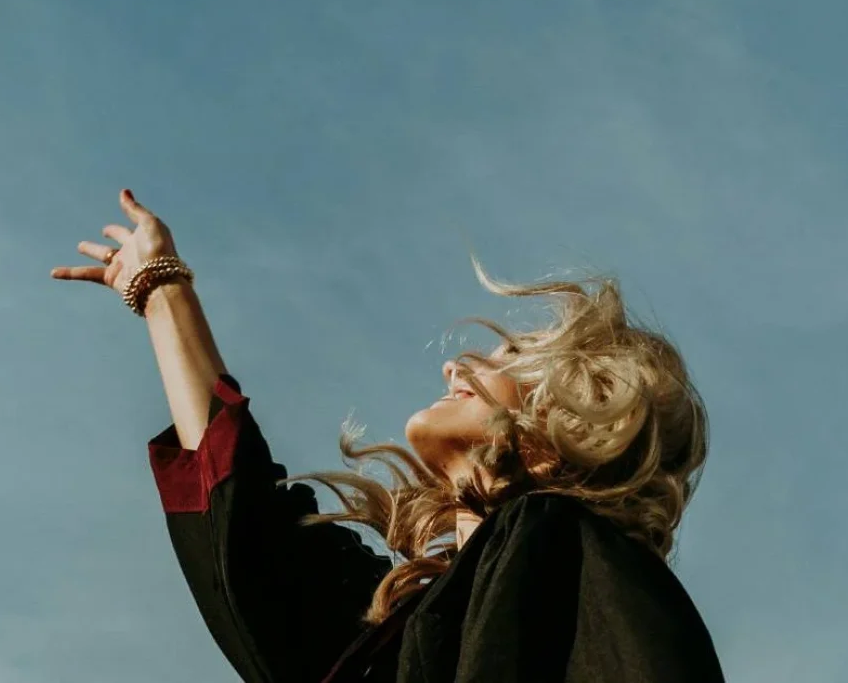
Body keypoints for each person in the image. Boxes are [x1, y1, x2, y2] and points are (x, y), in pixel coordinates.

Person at [51, 190, 726, 683]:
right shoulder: (396, 624)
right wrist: (160, 290)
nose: (457, 366)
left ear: (573, 421)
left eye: (514, 358)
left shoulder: (577, 564)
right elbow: (251, 546)